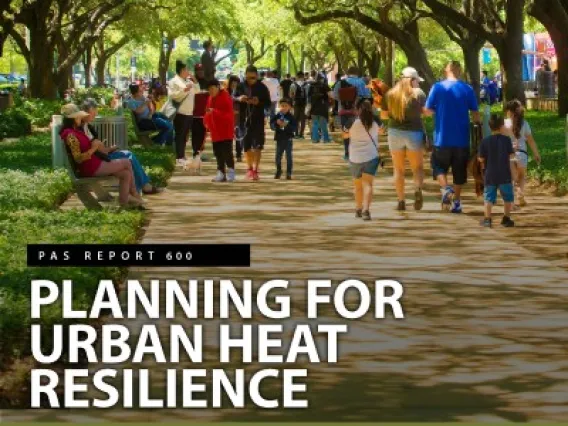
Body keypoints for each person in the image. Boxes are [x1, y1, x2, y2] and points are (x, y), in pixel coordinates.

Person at [59, 104, 142, 209]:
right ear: (73, 119)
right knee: (127, 162)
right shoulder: (71, 135)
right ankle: (134, 194)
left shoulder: (75, 132)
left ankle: (124, 202)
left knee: (125, 174)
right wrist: (94, 148)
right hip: (90, 168)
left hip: (94, 164)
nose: (80, 118)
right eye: (78, 116)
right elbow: (78, 159)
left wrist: (97, 145)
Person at [424, 60, 480, 213]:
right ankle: (456, 203)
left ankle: (445, 188)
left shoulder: (437, 87)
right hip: (462, 139)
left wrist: (438, 111)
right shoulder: (467, 89)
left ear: (446, 70)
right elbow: (475, 114)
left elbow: (427, 110)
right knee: (459, 172)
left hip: (442, 138)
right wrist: (478, 126)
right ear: (460, 71)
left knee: (438, 166)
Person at [80, 98, 162, 195]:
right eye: (93, 113)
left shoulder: (88, 127)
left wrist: (109, 149)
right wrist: (104, 149)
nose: (95, 115)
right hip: (97, 161)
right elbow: (91, 148)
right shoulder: (81, 129)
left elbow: (97, 146)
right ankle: (141, 188)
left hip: (101, 156)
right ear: (85, 112)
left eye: (95, 113)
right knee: (128, 157)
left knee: (128, 155)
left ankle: (140, 187)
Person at [381, 67, 427, 211]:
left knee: (398, 169)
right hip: (414, 133)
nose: (418, 84)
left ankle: (401, 201)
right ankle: (418, 189)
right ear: (412, 80)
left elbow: (383, 115)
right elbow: (425, 113)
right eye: (417, 81)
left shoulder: (390, 94)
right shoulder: (419, 94)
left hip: (395, 133)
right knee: (417, 168)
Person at [478, 114, 516, 228]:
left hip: (490, 174)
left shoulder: (485, 141)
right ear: (502, 126)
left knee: (488, 198)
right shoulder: (507, 140)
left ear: (490, 127)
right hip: (505, 173)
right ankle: (506, 218)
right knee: (508, 197)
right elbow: (511, 154)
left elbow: (481, 158)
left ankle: (487, 219)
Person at [235, 65, 271, 180]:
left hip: (258, 119)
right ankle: (249, 168)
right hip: (243, 120)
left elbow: (268, 103)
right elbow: (232, 97)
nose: (251, 80)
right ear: (245, 75)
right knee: (246, 146)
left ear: (257, 76)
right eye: (249, 77)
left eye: (253, 78)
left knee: (258, 146)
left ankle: (256, 169)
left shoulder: (262, 87)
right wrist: (239, 98)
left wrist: (258, 101)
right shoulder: (240, 86)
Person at [504, 99, 541, 207]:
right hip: (522, 154)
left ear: (509, 111)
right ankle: (520, 193)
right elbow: (530, 140)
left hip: (509, 155)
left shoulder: (505, 123)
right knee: (521, 176)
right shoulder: (525, 123)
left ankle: (510, 202)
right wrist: (536, 154)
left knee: (510, 179)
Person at [349, 100, 381, 221]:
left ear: (357, 109)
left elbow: (345, 135)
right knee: (368, 184)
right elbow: (383, 131)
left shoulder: (352, 122)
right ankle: (366, 210)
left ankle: (358, 208)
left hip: (355, 157)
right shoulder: (375, 121)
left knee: (357, 186)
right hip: (371, 155)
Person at [334, 66, 372, 160]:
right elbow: (367, 96)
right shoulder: (361, 82)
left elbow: (335, 96)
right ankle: (357, 153)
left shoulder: (340, 82)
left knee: (345, 131)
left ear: (348, 72)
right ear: (357, 73)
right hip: (357, 112)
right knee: (357, 132)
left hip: (343, 111)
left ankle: (347, 153)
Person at [204, 79, 236, 182]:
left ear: (218, 87)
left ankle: (231, 171)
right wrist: (206, 121)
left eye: (213, 89)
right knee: (217, 152)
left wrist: (214, 111)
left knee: (227, 152)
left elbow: (228, 114)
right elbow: (207, 111)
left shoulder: (225, 97)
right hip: (215, 131)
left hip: (225, 130)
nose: (211, 91)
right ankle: (221, 172)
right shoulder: (209, 98)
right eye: (209, 89)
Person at [168, 60, 197, 167]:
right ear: (181, 70)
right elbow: (173, 95)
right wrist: (184, 90)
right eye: (186, 69)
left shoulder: (188, 81)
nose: (188, 71)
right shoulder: (173, 81)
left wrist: (194, 81)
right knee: (180, 135)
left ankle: (182, 154)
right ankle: (179, 156)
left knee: (185, 135)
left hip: (189, 112)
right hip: (180, 112)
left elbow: (197, 91)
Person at [270, 98, 297, 179]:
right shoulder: (277, 116)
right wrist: (276, 124)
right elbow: (272, 125)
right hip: (279, 139)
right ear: (279, 106)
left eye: (286, 106)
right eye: (282, 106)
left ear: (289, 107)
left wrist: (287, 125)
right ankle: (278, 170)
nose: (284, 107)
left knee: (289, 156)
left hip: (288, 139)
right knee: (278, 156)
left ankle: (289, 172)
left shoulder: (291, 117)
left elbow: (295, 128)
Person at [189, 83, 209, 173]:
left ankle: (197, 153)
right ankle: (196, 153)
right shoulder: (193, 93)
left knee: (199, 136)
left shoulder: (205, 94)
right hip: (196, 117)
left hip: (200, 117)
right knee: (198, 136)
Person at [309, 74, 332, 144]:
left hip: (313, 107)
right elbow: (330, 95)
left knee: (315, 123)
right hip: (322, 107)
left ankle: (314, 139)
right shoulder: (325, 85)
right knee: (323, 124)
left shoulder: (311, 86)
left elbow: (309, 97)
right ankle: (326, 139)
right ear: (322, 79)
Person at [228, 75, 243, 162]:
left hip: (237, 118)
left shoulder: (239, 92)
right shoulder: (226, 92)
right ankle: (229, 155)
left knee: (238, 136)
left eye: (236, 83)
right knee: (229, 138)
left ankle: (238, 154)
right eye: (233, 83)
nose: (234, 85)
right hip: (228, 118)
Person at [289, 71, 308, 139]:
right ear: (303, 76)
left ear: (297, 76)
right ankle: (301, 134)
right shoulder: (307, 85)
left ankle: (296, 134)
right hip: (304, 104)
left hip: (296, 103)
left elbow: (291, 95)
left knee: (296, 119)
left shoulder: (293, 84)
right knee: (303, 119)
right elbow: (308, 95)